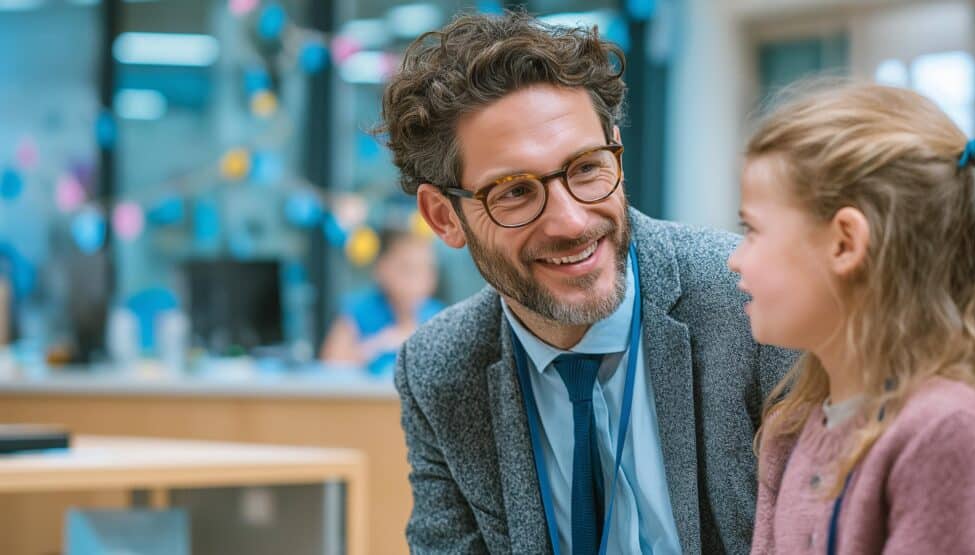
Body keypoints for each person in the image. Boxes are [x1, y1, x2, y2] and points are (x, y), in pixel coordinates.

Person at [380, 11, 795, 554]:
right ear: (443, 217)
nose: (573, 222)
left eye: (586, 168)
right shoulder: (439, 370)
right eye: (514, 192)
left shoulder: (749, 301)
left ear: (615, 150)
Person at [728, 83, 975, 553]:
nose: (735, 260)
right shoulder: (789, 429)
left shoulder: (946, 430)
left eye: (752, 231)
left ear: (844, 242)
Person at [320, 228, 444, 375]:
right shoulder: (359, 310)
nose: (418, 281)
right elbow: (330, 363)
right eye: (407, 269)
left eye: (426, 270)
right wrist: (379, 344)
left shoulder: (439, 317)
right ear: (381, 269)